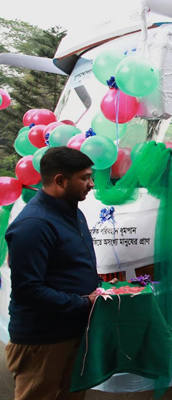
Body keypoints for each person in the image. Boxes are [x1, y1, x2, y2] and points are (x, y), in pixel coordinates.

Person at [4, 147, 104, 400]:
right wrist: (83, 302)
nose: (91, 184)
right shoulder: (34, 225)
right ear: (60, 180)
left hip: (72, 331)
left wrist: (100, 285)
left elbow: (69, 264)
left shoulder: (73, 213)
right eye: (85, 177)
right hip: (43, 340)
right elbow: (29, 291)